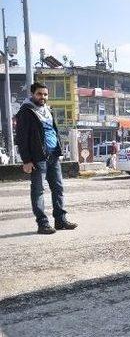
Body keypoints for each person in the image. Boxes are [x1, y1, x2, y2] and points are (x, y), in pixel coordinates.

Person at [16, 82, 78, 234]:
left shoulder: (47, 110)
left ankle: (60, 220)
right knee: (38, 190)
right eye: (39, 94)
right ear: (32, 94)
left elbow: (52, 131)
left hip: (53, 155)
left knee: (58, 188)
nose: (42, 97)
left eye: (45, 94)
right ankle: (43, 224)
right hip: (38, 158)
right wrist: (26, 160)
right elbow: (22, 138)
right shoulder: (26, 112)